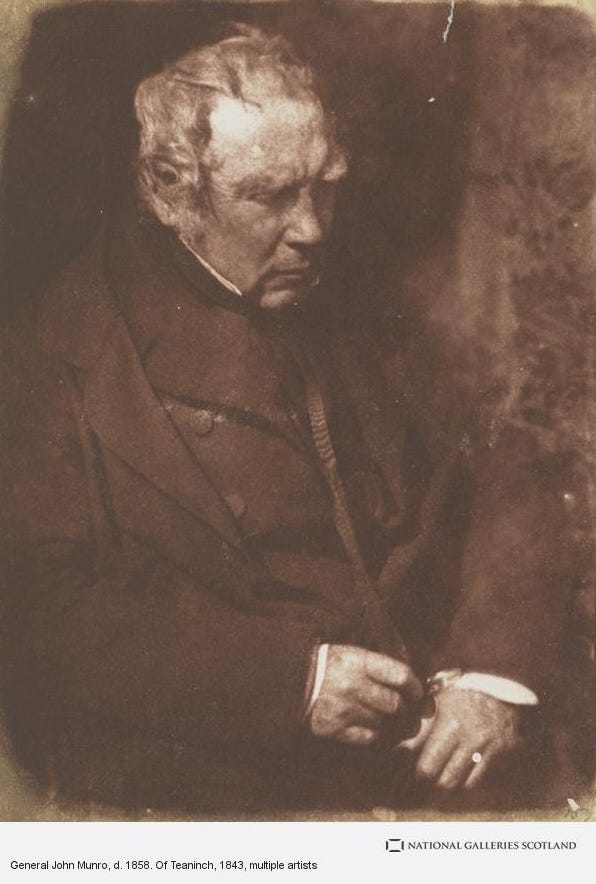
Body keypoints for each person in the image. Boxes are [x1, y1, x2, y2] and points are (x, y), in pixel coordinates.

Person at [0, 23, 574, 815]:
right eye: (270, 196)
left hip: (445, 761)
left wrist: (492, 676)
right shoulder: (56, 352)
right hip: (222, 801)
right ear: (171, 189)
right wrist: (291, 683)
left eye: (324, 185)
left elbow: (507, 461)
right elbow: (35, 611)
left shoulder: (355, 288)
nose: (313, 229)